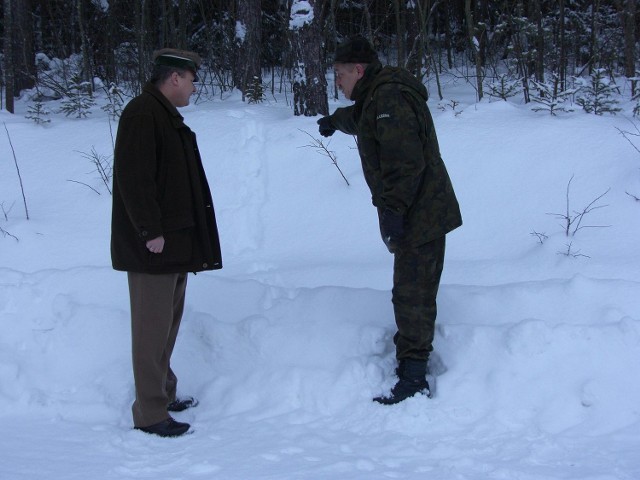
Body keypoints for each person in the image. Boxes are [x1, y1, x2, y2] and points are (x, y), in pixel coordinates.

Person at [317, 36, 462, 405]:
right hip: (414, 209)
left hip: (420, 212)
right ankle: (410, 361)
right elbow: (363, 119)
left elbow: (405, 162)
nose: (337, 81)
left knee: (412, 294)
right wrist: (334, 121)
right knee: (409, 289)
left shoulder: (389, 99)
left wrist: (394, 211)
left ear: (358, 70)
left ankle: (414, 377)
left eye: (339, 74)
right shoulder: (376, 97)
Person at [111, 48, 222, 436]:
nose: (194, 87)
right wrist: (149, 231)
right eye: (192, 79)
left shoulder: (162, 114)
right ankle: (151, 414)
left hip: (172, 245)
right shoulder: (144, 113)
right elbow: (133, 176)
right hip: (154, 247)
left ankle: (164, 392)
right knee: (150, 331)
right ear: (174, 77)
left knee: (166, 327)